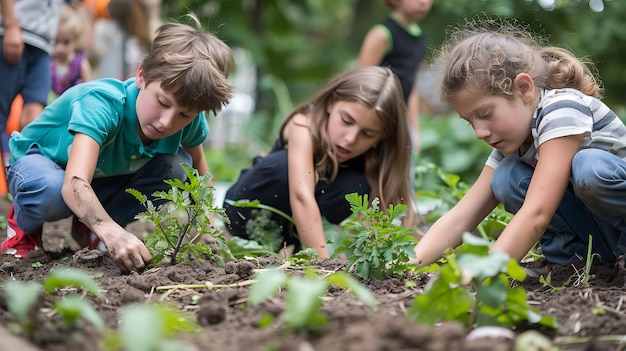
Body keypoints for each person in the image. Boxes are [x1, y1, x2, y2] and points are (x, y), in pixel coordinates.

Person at [1, 14, 234, 274]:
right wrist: (113, 233)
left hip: (97, 176)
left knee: (178, 166)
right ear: (142, 76)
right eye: (163, 102)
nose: (167, 121)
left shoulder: (188, 120)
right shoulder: (104, 105)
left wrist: (209, 227)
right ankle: (24, 228)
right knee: (52, 191)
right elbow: (73, 183)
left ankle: (86, 228)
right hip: (39, 166)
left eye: (184, 114)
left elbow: (199, 171)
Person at [410, 18, 626, 276]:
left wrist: (482, 275)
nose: (480, 132)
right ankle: (575, 263)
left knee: (589, 167)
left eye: (486, 113)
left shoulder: (562, 109)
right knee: (506, 176)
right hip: (603, 237)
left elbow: (537, 212)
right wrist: (408, 266)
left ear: (524, 88)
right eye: (470, 122)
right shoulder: (516, 142)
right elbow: (461, 217)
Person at [223, 66, 416, 258]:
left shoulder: (372, 157)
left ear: (382, 136)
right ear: (332, 102)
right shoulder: (303, 125)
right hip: (245, 211)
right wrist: (324, 268)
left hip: (289, 230)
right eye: (347, 121)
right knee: (285, 167)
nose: (350, 138)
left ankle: (295, 251)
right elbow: (301, 196)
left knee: (356, 186)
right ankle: (247, 242)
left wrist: (381, 257)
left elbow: (377, 214)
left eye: (367, 134)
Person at [357, 0, 431, 154]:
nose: (424, 2)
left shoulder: (419, 38)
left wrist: (414, 131)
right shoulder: (381, 33)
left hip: (399, 123)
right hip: (376, 120)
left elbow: (412, 86)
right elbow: (360, 83)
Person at [0, 0, 63, 131]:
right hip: (14, 33)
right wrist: (10, 25)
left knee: (34, 121)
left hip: (44, 45)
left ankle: (24, 151)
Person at [50, 3, 93, 100]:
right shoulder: (47, 64)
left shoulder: (81, 65)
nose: (60, 48)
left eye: (66, 43)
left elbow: (89, 90)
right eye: (55, 42)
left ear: (75, 41)